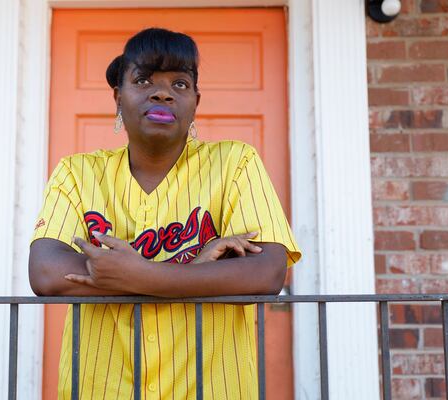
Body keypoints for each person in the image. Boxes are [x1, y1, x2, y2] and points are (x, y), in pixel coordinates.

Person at [29, 27, 301, 400]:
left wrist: (139, 274)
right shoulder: (78, 172)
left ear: (196, 102)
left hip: (212, 388)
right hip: (102, 386)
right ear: (118, 97)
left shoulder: (235, 163)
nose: (162, 93)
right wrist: (197, 271)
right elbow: (46, 273)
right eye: (143, 80)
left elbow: (267, 272)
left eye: (180, 84)